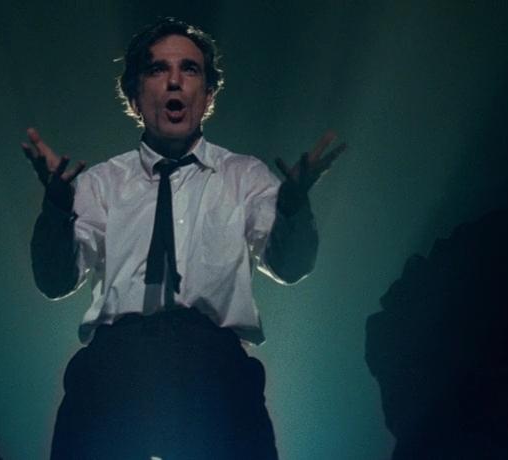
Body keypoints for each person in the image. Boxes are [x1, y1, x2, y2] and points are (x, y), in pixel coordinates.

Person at [20, 17, 346, 460]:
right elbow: (55, 281)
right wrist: (57, 207)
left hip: (214, 374)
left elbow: (290, 267)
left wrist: (293, 207)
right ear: (134, 96)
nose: (174, 81)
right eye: (158, 69)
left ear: (207, 94)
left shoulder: (243, 176)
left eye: (189, 69)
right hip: (113, 374)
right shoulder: (101, 182)